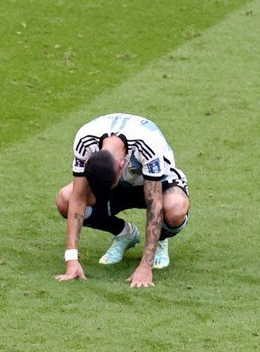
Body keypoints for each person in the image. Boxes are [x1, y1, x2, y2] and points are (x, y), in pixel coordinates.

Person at [54, 113, 190, 288]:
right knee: (65, 200)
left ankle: (161, 239)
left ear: (121, 165)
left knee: (175, 209)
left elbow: (154, 204)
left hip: (157, 183)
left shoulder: (146, 143)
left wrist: (145, 265)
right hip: (118, 184)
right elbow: (78, 198)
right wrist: (71, 259)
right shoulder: (85, 140)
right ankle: (124, 233)